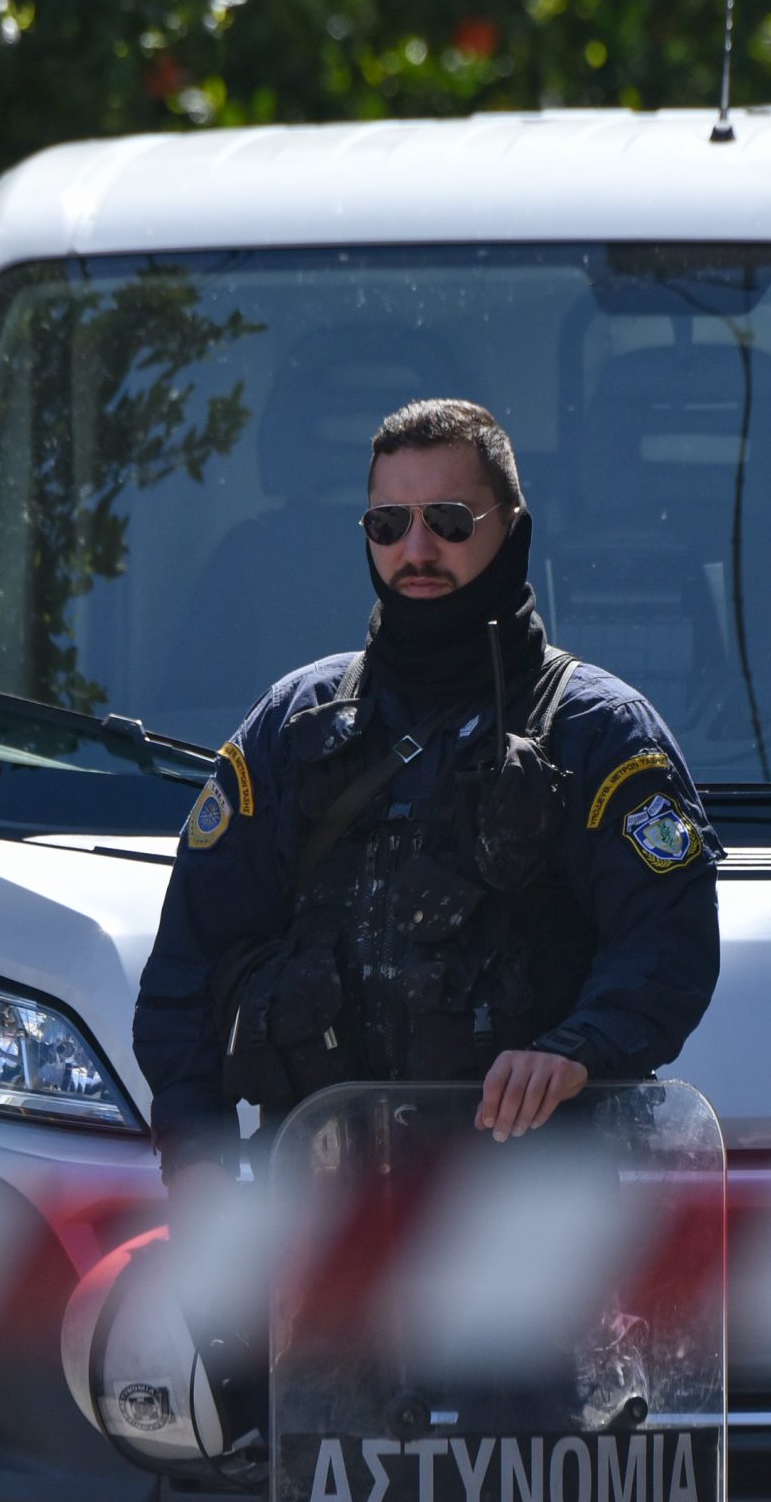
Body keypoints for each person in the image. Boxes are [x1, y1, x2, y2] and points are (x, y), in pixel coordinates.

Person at [132, 397, 723, 1191]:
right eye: (388, 524)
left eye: (448, 520)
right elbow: (188, 960)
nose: (416, 549)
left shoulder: (597, 731)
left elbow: (670, 940)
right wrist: (197, 1163)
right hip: (317, 1217)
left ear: (513, 530)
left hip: (530, 1219)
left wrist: (578, 1048)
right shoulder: (294, 724)